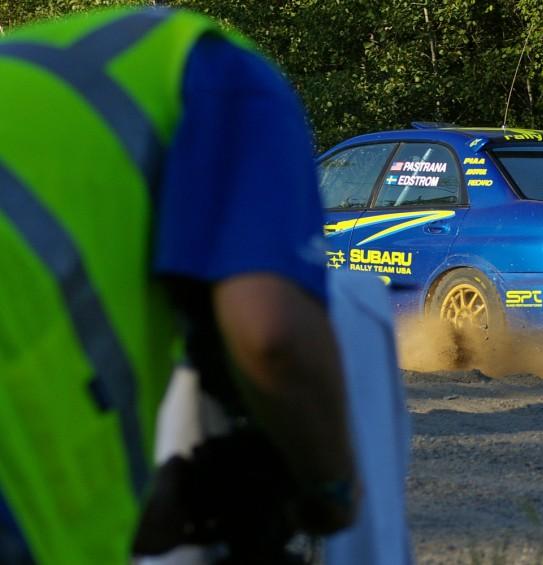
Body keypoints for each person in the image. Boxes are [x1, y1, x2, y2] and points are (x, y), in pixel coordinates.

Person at [0, 6, 357, 564]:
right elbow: (271, 333)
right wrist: (334, 484)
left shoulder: (39, 78)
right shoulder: (234, 81)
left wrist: (146, 505)